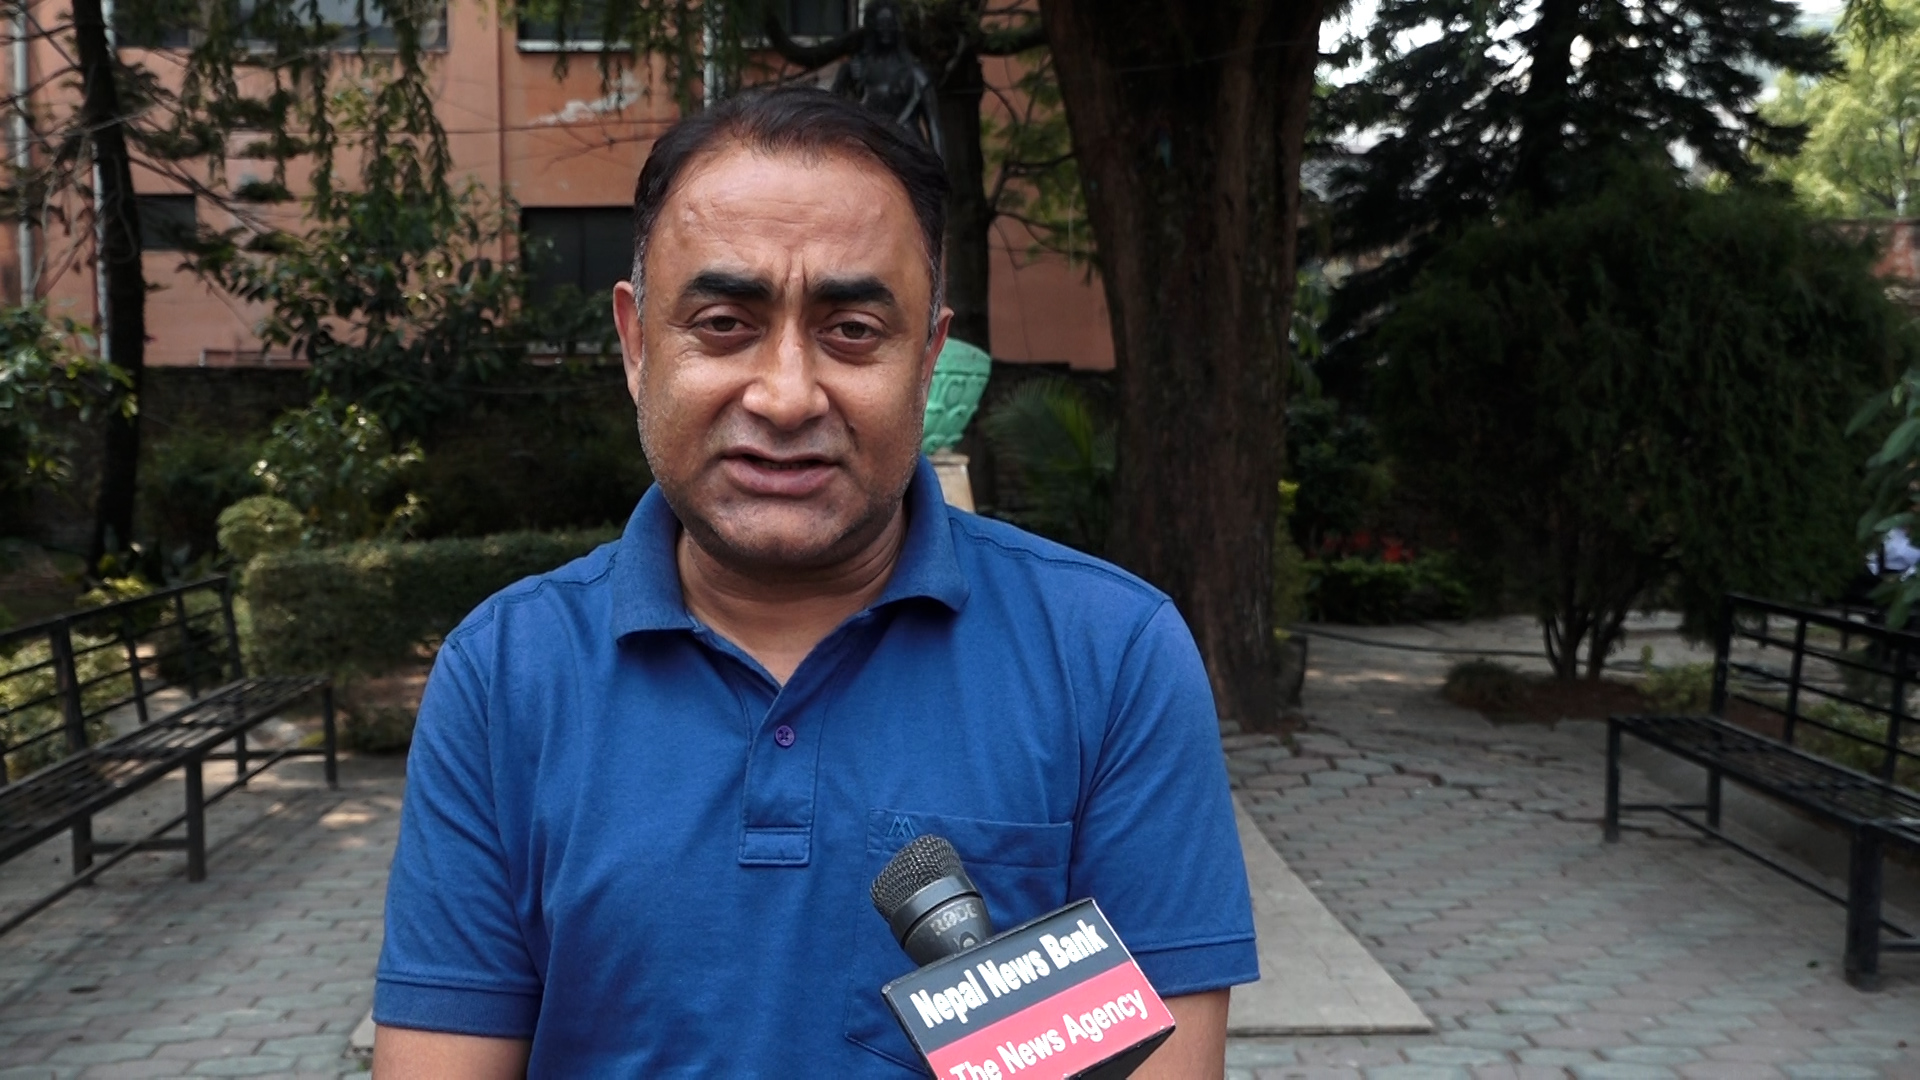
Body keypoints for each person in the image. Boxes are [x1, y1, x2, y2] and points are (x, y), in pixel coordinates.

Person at [371, 88, 1256, 1078]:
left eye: (853, 331)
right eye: (723, 323)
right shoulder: (505, 676)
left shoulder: (1109, 657)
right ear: (636, 342)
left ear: (928, 357)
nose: (787, 396)